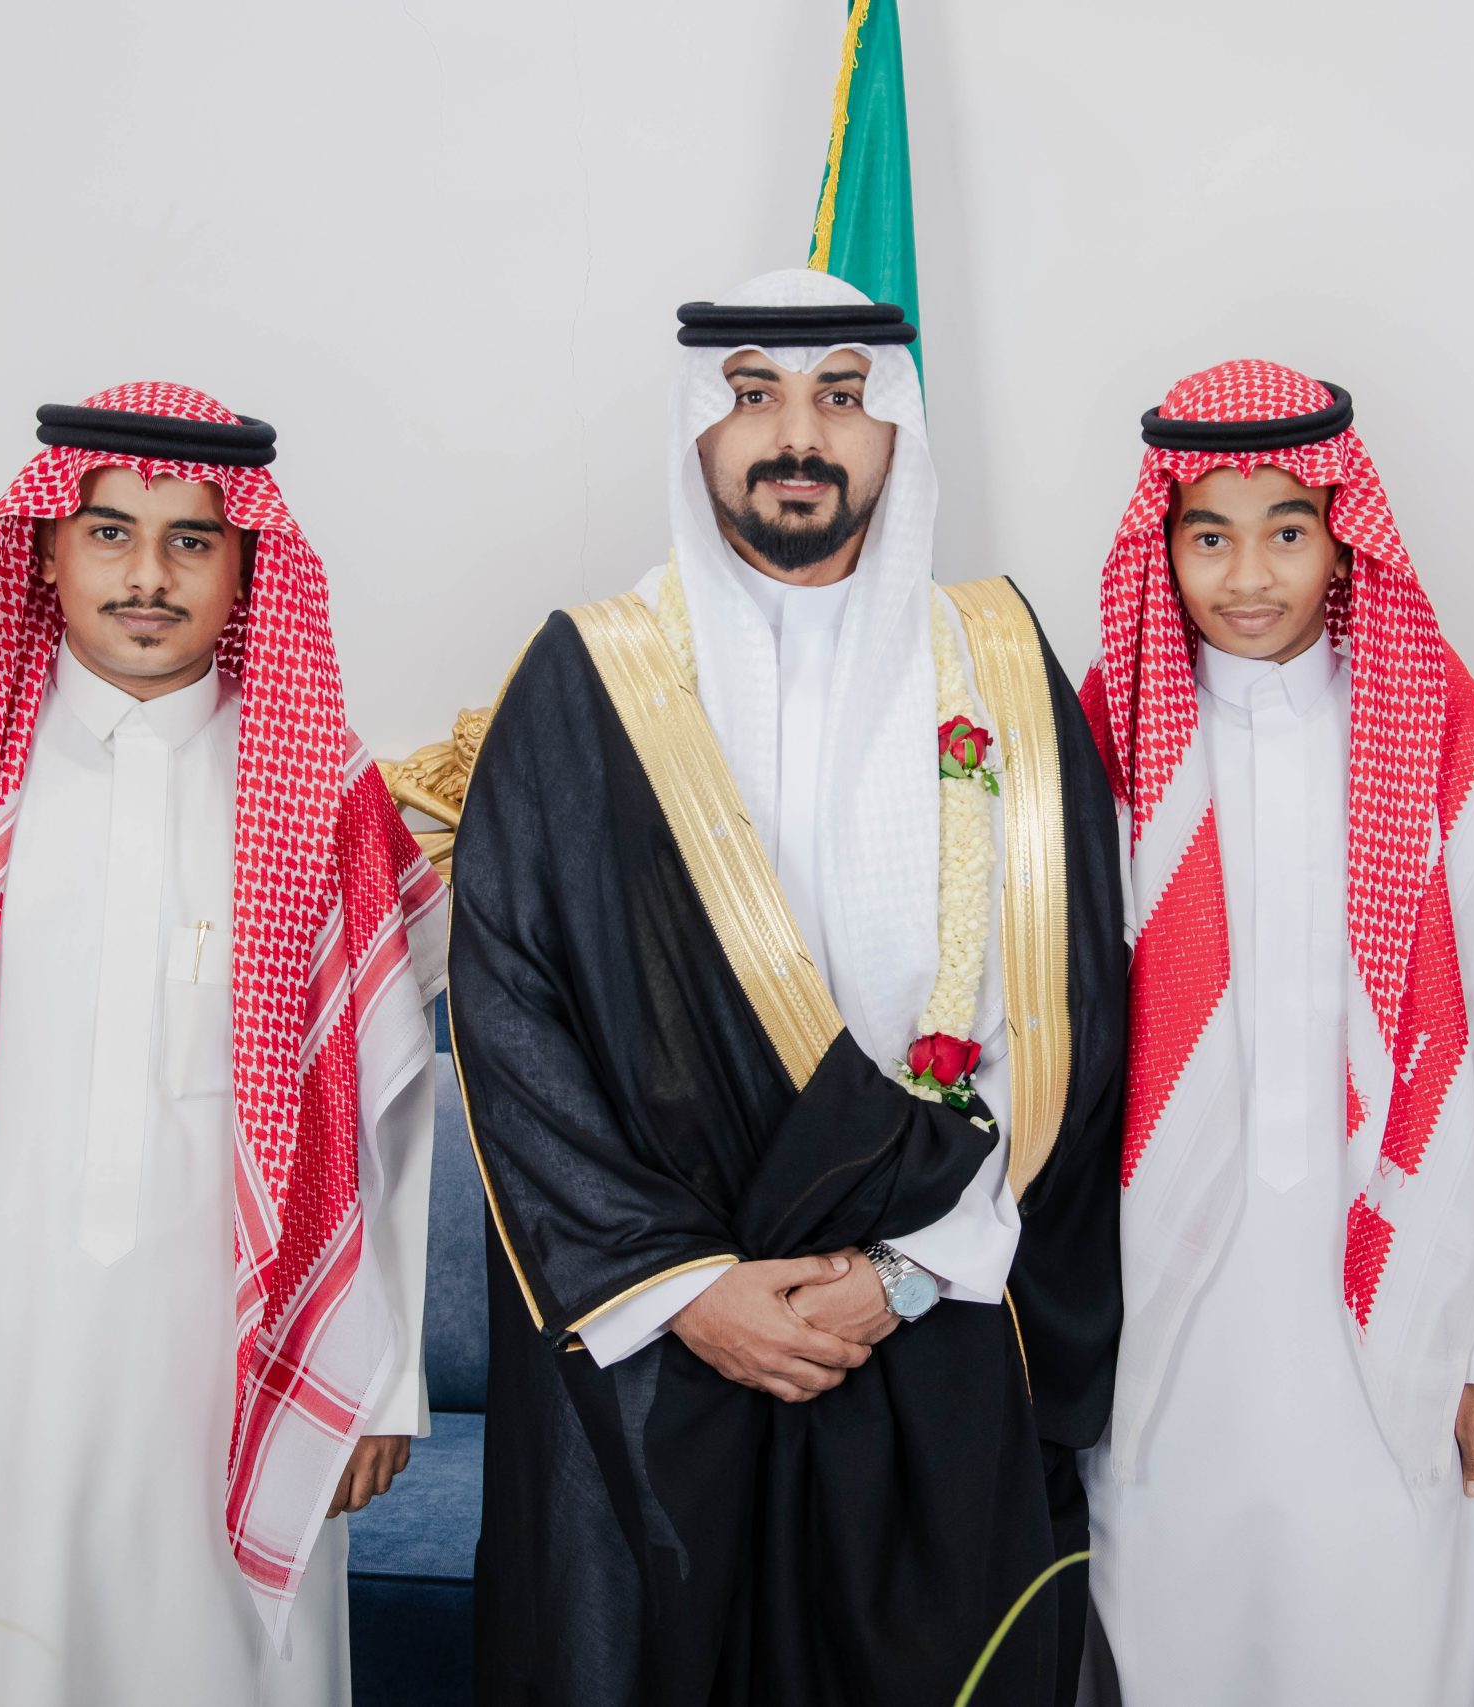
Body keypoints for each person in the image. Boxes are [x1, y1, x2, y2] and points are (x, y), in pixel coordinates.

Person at [447, 268, 1127, 1706]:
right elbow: (513, 1016)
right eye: (753, 394)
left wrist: (903, 1273)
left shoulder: (1001, 664)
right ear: (700, 423)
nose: (798, 435)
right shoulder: (588, 679)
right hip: (669, 1329)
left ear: (898, 431)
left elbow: (1065, 1001)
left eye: (843, 396)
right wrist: (690, 1290)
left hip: (930, 1302)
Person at [0, 385, 449, 1704]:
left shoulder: (325, 802)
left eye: (192, 540)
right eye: (110, 531)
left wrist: (382, 1378)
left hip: (226, 1374)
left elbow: (387, 1115)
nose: (148, 576)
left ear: (247, 565)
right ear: (48, 549)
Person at [1074, 360, 1474, 1704]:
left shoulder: (1452, 747)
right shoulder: (1099, 747)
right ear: (1163, 547)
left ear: (1345, 539)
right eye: (1210, 537)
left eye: (1288, 531)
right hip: (1165, 1329)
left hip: (1404, 1319)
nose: (1249, 577)